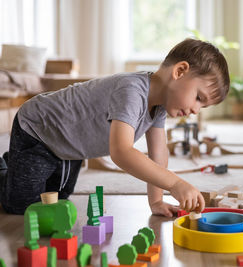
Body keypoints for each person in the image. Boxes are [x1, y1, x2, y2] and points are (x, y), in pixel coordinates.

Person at [0, 38, 230, 215]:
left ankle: (16, 163)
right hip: (39, 129)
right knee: (22, 206)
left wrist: (157, 201)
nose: (195, 111)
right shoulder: (131, 90)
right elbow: (121, 152)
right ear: (179, 71)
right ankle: (5, 168)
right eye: (199, 98)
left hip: (69, 146)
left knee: (58, 198)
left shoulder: (158, 107)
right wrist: (176, 183)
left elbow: (158, 156)